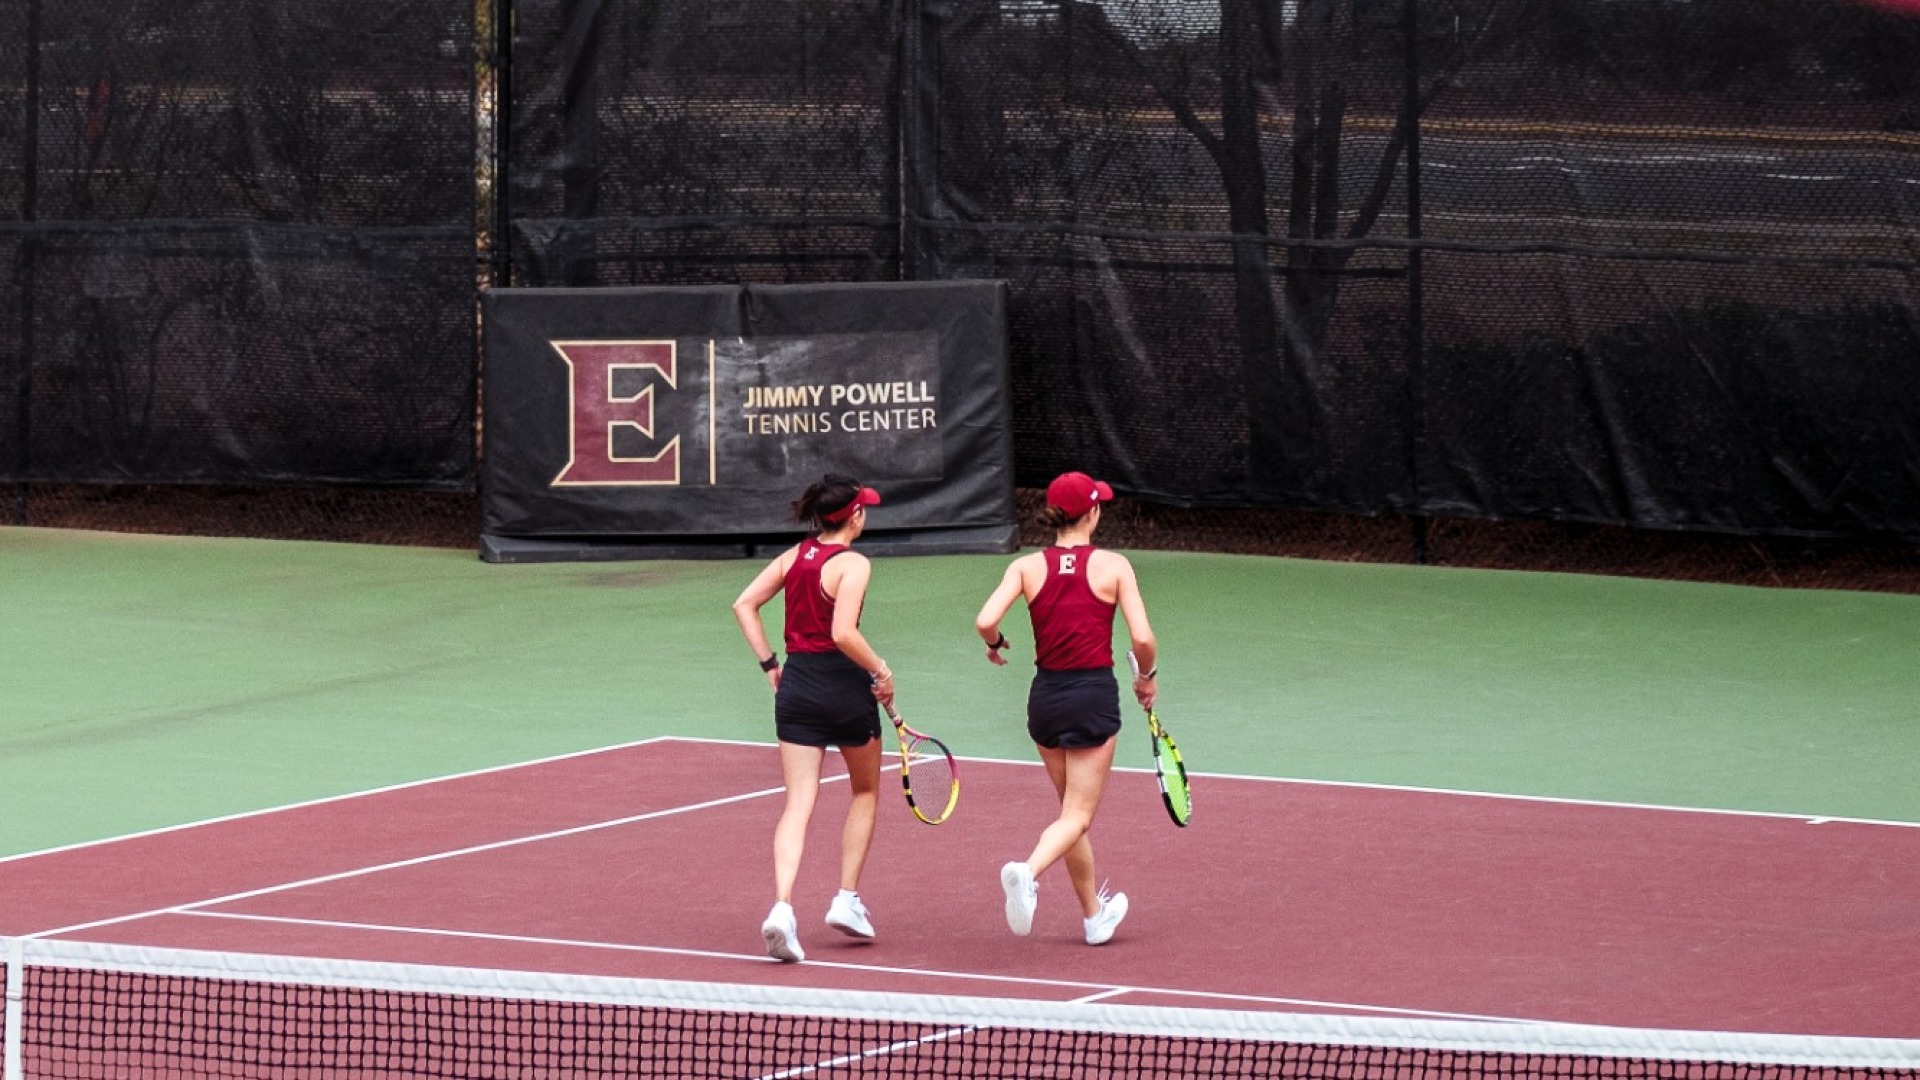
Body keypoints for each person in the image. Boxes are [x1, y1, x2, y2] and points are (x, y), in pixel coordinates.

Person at [974, 471, 1157, 946]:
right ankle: (1027, 873)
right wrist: (1145, 679)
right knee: (1076, 816)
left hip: (1046, 701)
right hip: (1092, 696)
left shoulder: (1026, 567)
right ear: (1093, 513)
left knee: (1068, 815)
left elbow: (986, 620)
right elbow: (1142, 638)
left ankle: (1094, 916)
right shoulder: (1114, 566)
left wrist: (994, 643)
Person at [731, 474, 896, 963]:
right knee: (864, 791)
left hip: (798, 687)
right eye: (864, 508)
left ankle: (782, 907)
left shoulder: (793, 557)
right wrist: (882, 671)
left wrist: (771, 666)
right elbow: (844, 633)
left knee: (797, 803)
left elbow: (744, 605)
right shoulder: (853, 564)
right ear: (855, 517)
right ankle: (846, 899)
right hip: (845, 689)